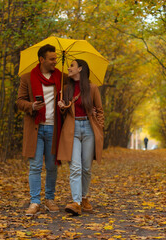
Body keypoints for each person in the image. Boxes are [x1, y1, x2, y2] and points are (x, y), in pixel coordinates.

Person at [16, 44, 63, 216]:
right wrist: (32, 106)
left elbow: (69, 99)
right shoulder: (27, 78)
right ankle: (35, 201)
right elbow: (19, 101)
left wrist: (64, 106)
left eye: (56, 59)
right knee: (35, 166)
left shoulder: (61, 78)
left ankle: (49, 199)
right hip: (35, 129)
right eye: (51, 59)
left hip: (53, 128)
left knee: (52, 166)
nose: (55, 62)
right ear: (41, 59)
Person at [57, 59, 104, 215]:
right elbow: (63, 114)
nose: (69, 68)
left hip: (89, 130)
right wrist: (62, 108)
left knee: (86, 168)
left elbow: (100, 110)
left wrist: (99, 127)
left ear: (80, 69)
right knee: (75, 168)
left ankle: (84, 198)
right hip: (72, 130)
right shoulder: (66, 89)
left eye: (72, 65)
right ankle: (76, 202)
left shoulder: (92, 89)